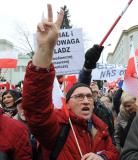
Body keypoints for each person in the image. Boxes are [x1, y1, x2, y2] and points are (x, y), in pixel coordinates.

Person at [22, 4, 119, 160]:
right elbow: (35, 108)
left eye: (89, 96)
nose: (86, 100)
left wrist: (102, 157)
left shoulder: (102, 128)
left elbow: (114, 153)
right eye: (79, 97)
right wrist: (45, 49)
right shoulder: (57, 127)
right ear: (67, 103)